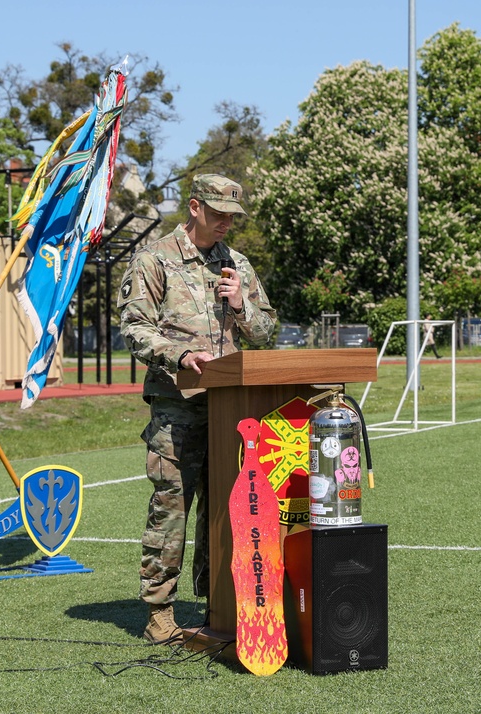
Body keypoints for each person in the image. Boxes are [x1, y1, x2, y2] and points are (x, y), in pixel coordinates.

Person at [117, 174, 277, 644]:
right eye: (219, 213)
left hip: (233, 406)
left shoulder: (238, 265)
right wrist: (181, 356)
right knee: (172, 505)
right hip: (178, 404)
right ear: (193, 207)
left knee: (229, 506)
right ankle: (159, 611)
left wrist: (242, 304)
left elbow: (266, 331)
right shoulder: (155, 259)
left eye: (233, 215)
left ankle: (219, 603)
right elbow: (133, 327)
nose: (227, 222)